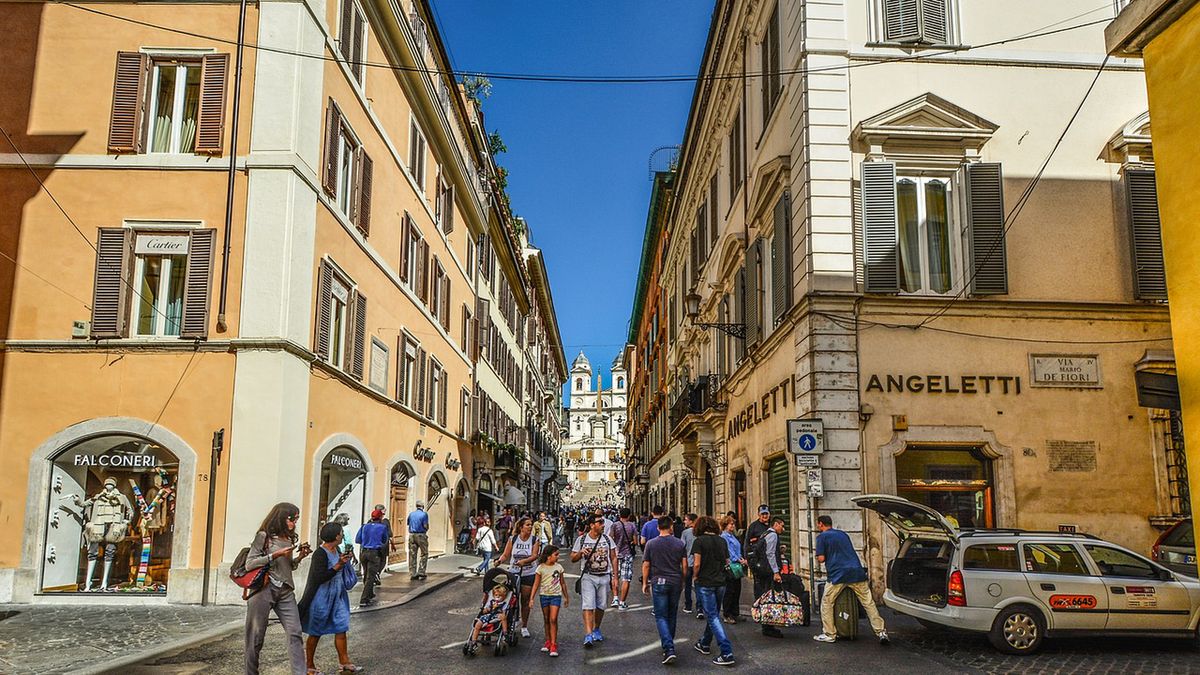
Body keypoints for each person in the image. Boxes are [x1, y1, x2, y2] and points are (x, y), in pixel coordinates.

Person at [243, 502, 311, 675]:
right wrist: (275, 555)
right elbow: (249, 563)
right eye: (291, 519)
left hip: (286, 590)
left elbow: (288, 567)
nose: (294, 523)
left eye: (296, 519)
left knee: (295, 632)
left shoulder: (288, 538)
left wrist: (300, 557)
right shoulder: (263, 536)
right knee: (255, 637)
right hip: (263, 589)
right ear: (281, 518)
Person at [813, 515, 890, 645]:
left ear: (820, 524)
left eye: (818, 525)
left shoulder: (822, 537)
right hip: (856, 571)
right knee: (868, 603)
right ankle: (881, 631)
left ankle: (829, 633)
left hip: (838, 574)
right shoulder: (843, 534)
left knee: (827, 602)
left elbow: (821, 558)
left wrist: (818, 557)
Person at [299, 522, 361, 674]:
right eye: (341, 533)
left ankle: (344, 662)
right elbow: (319, 577)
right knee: (315, 632)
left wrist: (344, 561)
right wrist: (337, 566)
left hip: (338, 595)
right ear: (335, 536)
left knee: (341, 628)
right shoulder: (320, 554)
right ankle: (309, 666)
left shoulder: (338, 549)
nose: (342, 535)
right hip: (322, 596)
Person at [641, 515, 686, 665]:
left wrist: (645, 582)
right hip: (675, 581)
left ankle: (669, 647)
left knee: (660, 616)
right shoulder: (679, 543)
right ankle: (669, 643)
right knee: (672, 614)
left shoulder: (651, 544)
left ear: (658, 527)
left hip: (658, 581)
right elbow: (684, 566)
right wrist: (684, 580)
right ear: (671, 527)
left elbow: (646, 564)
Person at [691, 515, 735, 666]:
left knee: (713, 617)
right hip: (721, 582)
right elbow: (727, 561)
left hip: (706, 583)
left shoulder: (699, 541)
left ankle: (726, 651)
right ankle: (704, 643)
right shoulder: (722, 540)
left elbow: (696, 564)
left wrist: (695, 577)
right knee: (713, 615)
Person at [570, 516, 618, 647]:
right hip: (588, 576)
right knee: (588, 605)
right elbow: (573, 558)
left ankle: (596, 628)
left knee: (601, 605)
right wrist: (580, 553)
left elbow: (613, 557)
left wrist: (615, 576)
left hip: (604, 576)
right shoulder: (582, 540)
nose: (603, 525)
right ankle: (588, 634)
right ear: (592, 525)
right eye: (600, 522)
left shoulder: (608, 540)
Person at [497, 516, 541, 638]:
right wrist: (498, 561)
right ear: (521, 527)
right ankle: (510, 621)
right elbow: (506, 555)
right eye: (527, 525)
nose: (530, 526)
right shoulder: (513, 538)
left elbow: (534, 556)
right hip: (514, 573)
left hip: (529, 573)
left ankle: (524, 626)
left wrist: (524, 561)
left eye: (531, 524)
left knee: (525, 601)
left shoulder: (534, 540)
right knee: (511, 598)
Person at [529, 545, 570, 657]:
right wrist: (531, 598)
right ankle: (548, 640)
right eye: (556, 555)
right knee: (546, 619)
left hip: (556, 596)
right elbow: (536, 584)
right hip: (544, 596)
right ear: (548, 556)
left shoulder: (559, 567)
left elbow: (562, 583)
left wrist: (566, 596)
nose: (558, 557)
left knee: (553, 619)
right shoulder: (540, 568)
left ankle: (553, 644)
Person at [754, 516, 787, 638]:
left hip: (763, 570)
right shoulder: (773, 535)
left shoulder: (765, 533)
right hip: (769, 572)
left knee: (766, 596)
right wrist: (776, 572)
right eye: (782, 526)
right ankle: (768, 626)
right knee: (769, 597)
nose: (783, 529)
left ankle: (767, 624)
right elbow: (770, 554)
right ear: (776, 524)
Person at [355, 508, 388, 607]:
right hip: (374, 553)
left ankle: (369, 594)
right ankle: (364, 599)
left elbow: (358, 540)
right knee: (371, 577)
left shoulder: (364, 527)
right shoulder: (382, 527)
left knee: (366, 574)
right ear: (380, 517)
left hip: (364, 552)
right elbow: (385, 540)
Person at [609, 507, 638, 610]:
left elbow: (610, 538)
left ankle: (615, 598)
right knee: (626, 578)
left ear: (619, 515)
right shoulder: (632, 526)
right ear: (629, 515)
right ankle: (622, 602)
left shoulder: (615, 525)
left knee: (615, 576)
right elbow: (635, 542)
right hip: (627, 554)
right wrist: (629, 542)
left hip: (616, 554)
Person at [720, 515, 747, 624]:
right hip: (730, 565)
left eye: (733, 524)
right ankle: (727, 614)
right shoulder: (724, 537)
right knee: (729, 591)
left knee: (737, 590)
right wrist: (738, 559)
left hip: (737, 565)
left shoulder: (732, 536)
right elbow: (728, 551)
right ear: (725, 525)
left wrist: (741, 558)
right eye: (731, 524)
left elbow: (736, 549)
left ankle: (735, 612)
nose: (733, 525)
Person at [679, 513, 698, 616]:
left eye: (686, 520)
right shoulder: (701, 532)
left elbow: (682, 547)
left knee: (687, 586)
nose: (684, 521)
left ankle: (688, 606)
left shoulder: (685, 533)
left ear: (691, 521)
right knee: (699, 585)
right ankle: (700, 608)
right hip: (699, 563)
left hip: (689, 562)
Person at [407, 500, 429, 580]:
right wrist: (426, 529)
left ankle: (413, 573)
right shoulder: (424, 515)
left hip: (412, 535)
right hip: (421, 535)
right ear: (422, 506)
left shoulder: (411, 514)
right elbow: (425, 525)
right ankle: (421, 571)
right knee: (424, 553)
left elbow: (408, 523)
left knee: (412, 554)